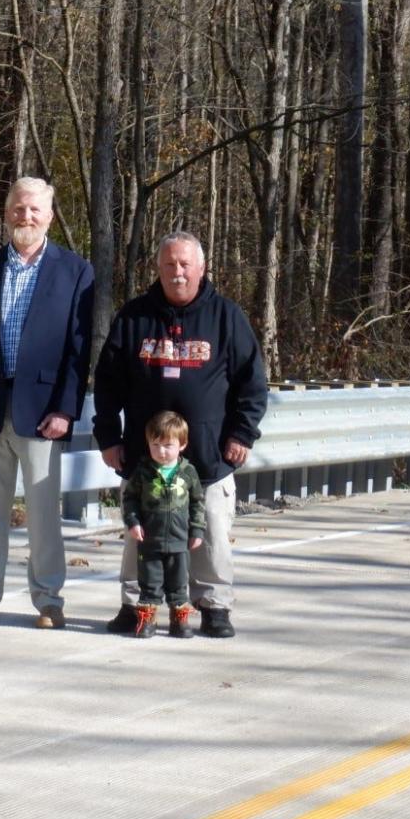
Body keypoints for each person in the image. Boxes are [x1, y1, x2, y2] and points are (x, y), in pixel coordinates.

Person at [94, 230, 267, 638]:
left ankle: (215, 607)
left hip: (208, 457)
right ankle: (137, 606)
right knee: (141, 534)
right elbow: (106, 383)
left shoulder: (226, 317)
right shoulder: (134, 317)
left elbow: (253, 385)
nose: (177, 272)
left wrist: (241, 435)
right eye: (170, 264)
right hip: (144, 458)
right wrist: (108, 437)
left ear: (201, 268)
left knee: (210, 534)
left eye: (185, 264)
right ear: (158, 268)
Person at [0, 177, 94, 629]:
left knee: (43, 511)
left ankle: (49, 600)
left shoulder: (74, 271)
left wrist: (65, 409)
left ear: (49, 215)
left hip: (43, 409)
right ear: (6, 213)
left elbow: (78, 348)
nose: (25, 217)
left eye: (34, 210)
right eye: (18, 209)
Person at [122, 411, 205, 639]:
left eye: (168, 445)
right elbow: (129, 499)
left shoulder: (188, 472)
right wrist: (133, 522)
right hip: (149, 541)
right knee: (149, 582)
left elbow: (198, 502)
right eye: (155, 444)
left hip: (179, 541)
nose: (161, 451)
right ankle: (147, 620)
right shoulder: (143, 472)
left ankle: (179, 621)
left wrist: (197, 529)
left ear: (182, 444)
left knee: (179, 583)